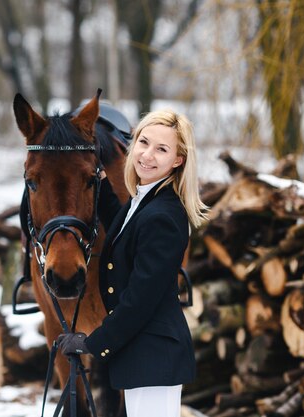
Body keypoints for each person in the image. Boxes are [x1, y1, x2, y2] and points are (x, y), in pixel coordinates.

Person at [57, 109, 208, 417]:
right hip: (144, 358)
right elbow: (124, 231)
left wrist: (92, 343)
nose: (147, 155)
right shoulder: (146, 201)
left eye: (162, 149)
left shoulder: (164, 216)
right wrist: (97, 184)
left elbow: (140, 299)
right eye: (144, 142)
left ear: (178, 161)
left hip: (154, 359)